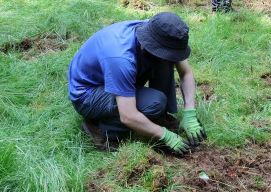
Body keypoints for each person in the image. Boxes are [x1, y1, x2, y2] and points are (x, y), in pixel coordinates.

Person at [68, 12, 206, 154]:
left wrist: (190, 112)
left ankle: (157, 117)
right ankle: (102, 129)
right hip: (88, 94)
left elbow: (186, 73)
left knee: (164, 61)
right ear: (149, 44)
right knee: (154, 102)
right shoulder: (121, 59)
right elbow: (128, 116)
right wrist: (165, 136)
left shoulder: (158, 31)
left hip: (113, 76)